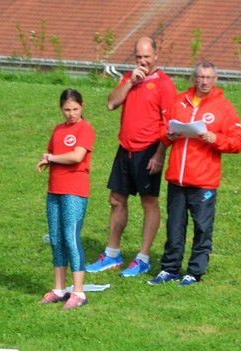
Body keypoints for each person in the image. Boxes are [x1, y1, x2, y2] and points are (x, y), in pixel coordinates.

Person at [86, 36, 176, 277]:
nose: (143, 61)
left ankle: (142, 258)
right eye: (138, 57)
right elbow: (110, 104)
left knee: (149, 202)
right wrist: (130, 83)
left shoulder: (165, 84)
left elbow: (169, 124)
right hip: (125, 149)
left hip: (149, 150)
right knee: (116, 199)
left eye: (146, 57)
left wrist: (159, 155)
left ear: (156, 55)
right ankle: (112, 254)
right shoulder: (129, 78)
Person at [148, 61, 241, 287]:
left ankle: (195, 272)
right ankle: (170, 269)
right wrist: (168, 135)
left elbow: (237, 142)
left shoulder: (224, 107)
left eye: (208, 78)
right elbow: (163, 128)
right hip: (177, 178)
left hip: (204, 181)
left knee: (202, 227)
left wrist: (216, 139)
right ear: (194, 78)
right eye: (200, 77)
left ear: (216, 79)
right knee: (174, 227)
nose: (204, 82)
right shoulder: (179, 101)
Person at [37, 89, 95, 310]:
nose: (71, 114)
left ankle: (78, 293)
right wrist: (47, 159)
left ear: (82, 106)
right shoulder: (58, 129)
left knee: (71, 239)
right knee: (56, 239)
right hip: (55, 190)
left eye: (75, 109)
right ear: (61, 109)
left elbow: (76, 156)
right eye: (67, 109)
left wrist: (52, 158)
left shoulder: (85, 129)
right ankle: (59, 290)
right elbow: (54, 153)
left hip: (74, 191)